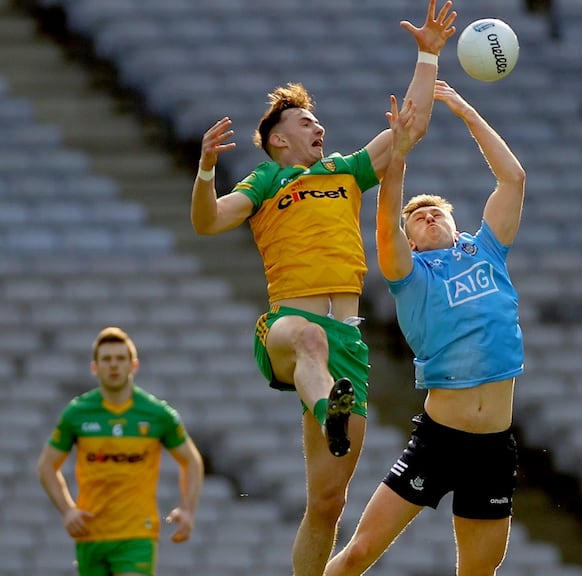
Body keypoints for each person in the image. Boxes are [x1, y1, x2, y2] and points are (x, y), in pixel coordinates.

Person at [188, 3, 457, 575]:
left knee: (327, 505)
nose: (319, 129)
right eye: (307, 123)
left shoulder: (345, 171)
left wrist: (428, 54)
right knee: (307, 338)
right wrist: (207, 167)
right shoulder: (264, 180)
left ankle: (330, 410)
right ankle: (326, 406)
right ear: (277, 140)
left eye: (319, 123)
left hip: (348, 343)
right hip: (287, 327)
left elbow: (410, 126)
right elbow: (208, 221)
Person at [323, 79, 526, 576]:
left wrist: (465, 111)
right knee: (359, 554)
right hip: (440, 439)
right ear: (411, 241)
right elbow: (387, 220)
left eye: (436, 210)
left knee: (479, 573)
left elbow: (513, 179)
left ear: (457, 227)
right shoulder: (411, 277)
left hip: (494, 445)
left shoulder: (486, 250)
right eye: (419, 215)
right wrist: (400, 157)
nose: (428, 213)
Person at [37, 326, 204, 576]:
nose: (113, 365)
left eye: (120, 359)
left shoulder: (157, 414)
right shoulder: (77, 413)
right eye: (106, 359)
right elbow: (46, 466)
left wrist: (188, 510)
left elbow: (191, 461)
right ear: (95, 367)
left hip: (136, 533)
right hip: (91, 533)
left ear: (133, 365)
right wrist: (67, 510)